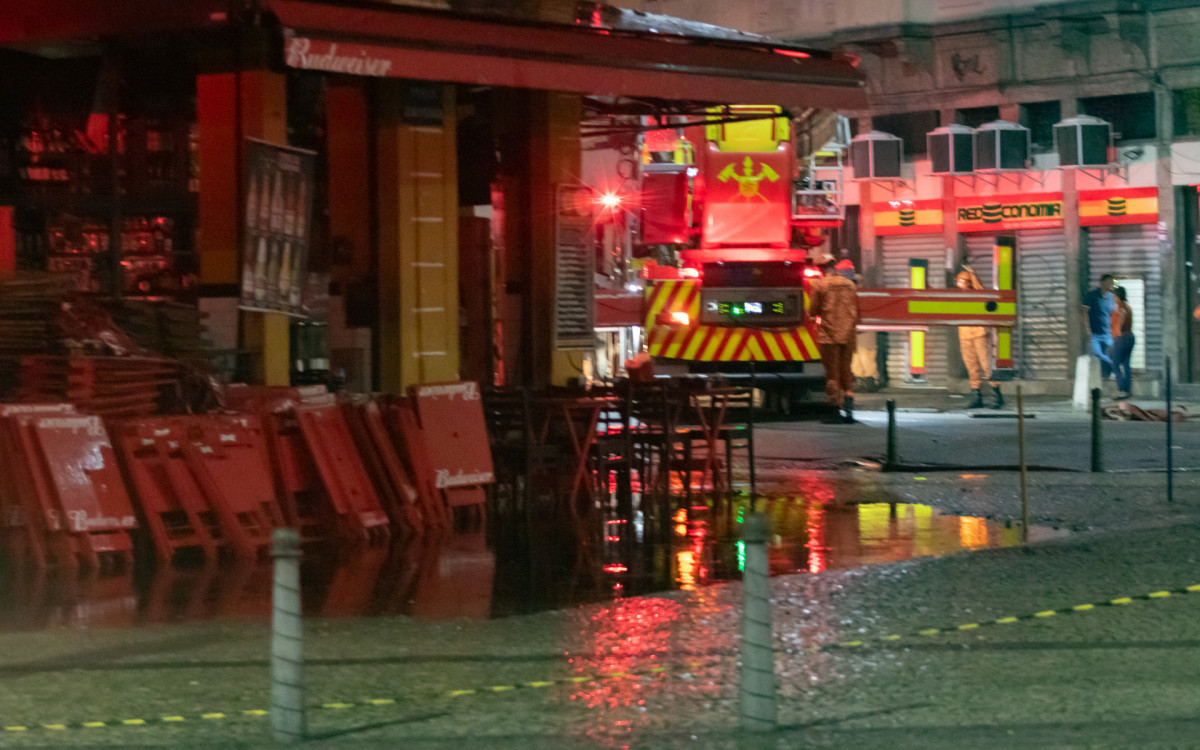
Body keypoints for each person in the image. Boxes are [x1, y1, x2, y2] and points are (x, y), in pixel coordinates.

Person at [808, 253, 860, 424]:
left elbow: (813, 310)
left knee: (833, 374)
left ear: (822, 268)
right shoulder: (850, 285)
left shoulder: (821, 285)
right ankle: (850, 408)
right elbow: (856, 309)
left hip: (829, 336)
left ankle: (835, 409)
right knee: (846, 370)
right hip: (848, 335)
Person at [954, 259, 1003, 409]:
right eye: (959, 282)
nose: (960, 284)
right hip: (965, 335)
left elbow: (981, 290)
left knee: (987, 366)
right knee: (972, 367)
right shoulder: (956, 297)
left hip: (980, 333)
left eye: (963, 281)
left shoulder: (977, 293)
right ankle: (977, 397)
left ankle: (998, 396)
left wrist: (972, 273)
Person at [1083, 274, 1116, 380]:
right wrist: (1087, 328)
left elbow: (1113, 315)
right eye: (1108, 282)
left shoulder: (1112, 298)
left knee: (1108, 354)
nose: (1110, 284)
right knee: (1095, 354)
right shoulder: (1092, 295)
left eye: (1111, 282)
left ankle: (1107, 375)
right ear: (1102, 282)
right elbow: (1084, 312)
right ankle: (1098, 375)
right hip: (1095, 332)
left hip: (1107, 332)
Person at [1109, 286, 1134, 403]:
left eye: (1114, 296)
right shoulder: (1128, 307)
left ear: (1118, 297)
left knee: (1115, 365)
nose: (1113, 298)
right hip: (1130, 338)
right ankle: (1128, 391)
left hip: (1122, 338)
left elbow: (1119, 325)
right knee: (1126, 365)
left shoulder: (1121, 309)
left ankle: (1121, 390)